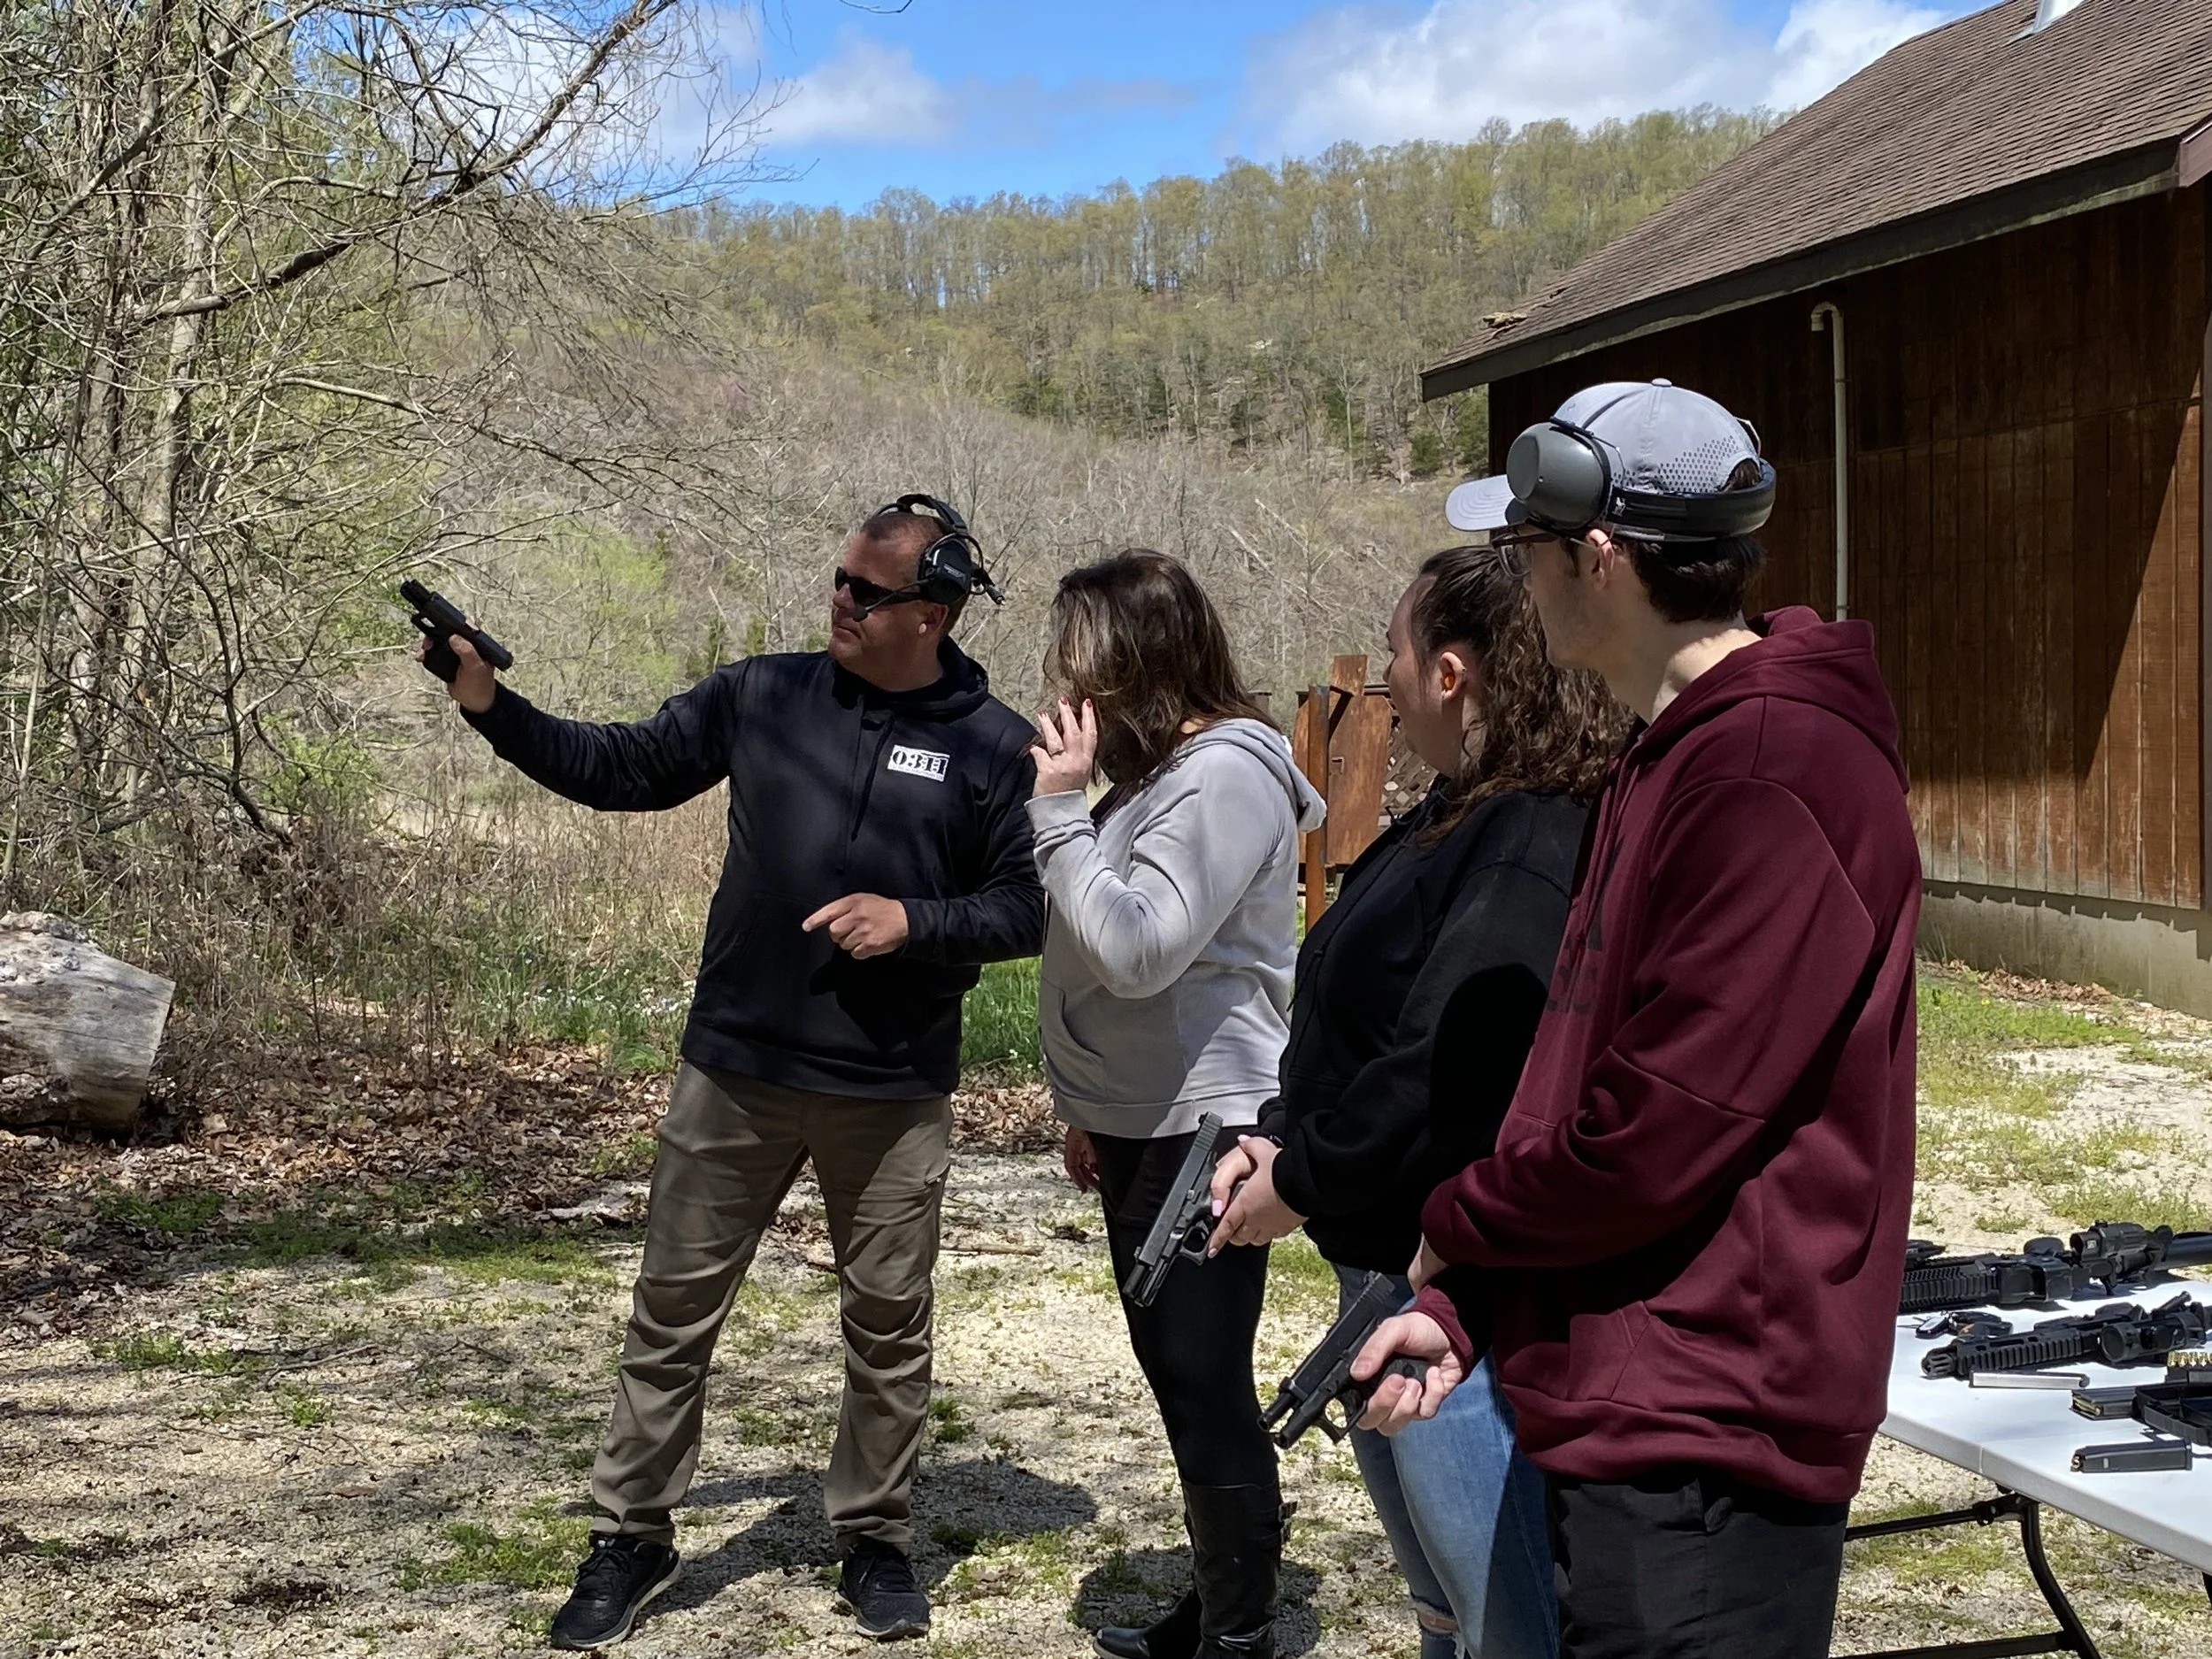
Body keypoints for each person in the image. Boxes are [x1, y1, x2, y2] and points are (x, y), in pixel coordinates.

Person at [1353, 380, 1922, 1659]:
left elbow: (1655, 1132)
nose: (1519, 579)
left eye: (1526, 547)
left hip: (1713, 1427)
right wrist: (1466, 1303)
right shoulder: (1669, 753)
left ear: (1597, 557)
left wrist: (1455, 1226)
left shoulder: (1777, 770)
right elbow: (1575, 1081)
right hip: (1638, 1395)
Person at [425, 495, 1045, 1649]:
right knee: (671, 1312)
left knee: (889, 1326)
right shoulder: (762, 693)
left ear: (937, 609)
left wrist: (914, 919)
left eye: (869, 591)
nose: (842, 602)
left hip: (894, 1087)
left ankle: (874, 1536)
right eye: (841, 580)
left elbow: (1031, 906)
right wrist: (491, 707)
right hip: (738, 1067)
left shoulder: (996, 745)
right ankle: (631, 1534)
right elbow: (623, 766)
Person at [1206, 544, 1618, 1659]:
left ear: (1450, 674)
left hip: (1455, 1295)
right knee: (1444, 1607)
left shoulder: (1526, 834)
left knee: (1505, 1623)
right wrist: (1285, 1140)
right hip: (1383, 1268)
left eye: (1392, 655)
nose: (1381, 685)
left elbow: (1447, 1066)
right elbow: (1364, 1022)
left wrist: (1299, 1177)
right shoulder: (1457, 810)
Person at [1025, 550, 1324, 1659]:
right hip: (1141, 1118)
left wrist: (1056, 812)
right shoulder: (1160, 775)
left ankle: (1238, 1635)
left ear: (1139, 661)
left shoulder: (1227, 773)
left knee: (1201, 1376)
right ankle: (1222, 1610)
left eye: (1080, 666)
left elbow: (1141, 949)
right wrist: (1089, 1099)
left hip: (1207, 1123)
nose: (1066, 696)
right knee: (1178, 1371)